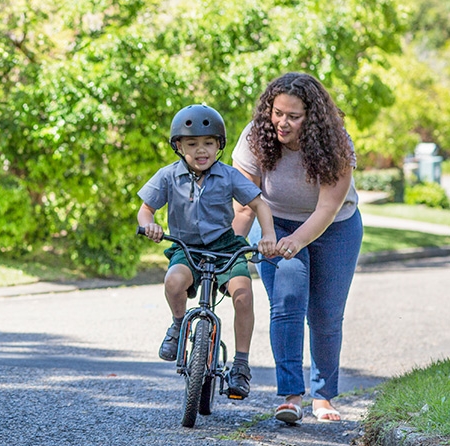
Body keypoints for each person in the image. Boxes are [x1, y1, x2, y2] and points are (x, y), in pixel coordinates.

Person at [231, 72, 362, 424]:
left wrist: (297, 241)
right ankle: (291, 396)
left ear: (313, 117)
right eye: (277, 113)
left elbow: (326, 209)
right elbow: (245, 204)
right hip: (274, 221)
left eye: (293, 116)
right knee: (287, 301)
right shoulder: (255, 138)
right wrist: (228, 246)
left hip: (335, 227)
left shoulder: (337, 144)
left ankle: (323, 396)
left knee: (325, 314)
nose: (282, 123)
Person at [137, 104, 277, 399]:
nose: (201, 150)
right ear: (178, 146)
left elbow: (259, 205)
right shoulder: (167, 176)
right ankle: (177, 326)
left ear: (219, 146)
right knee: (173, 281)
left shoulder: (228, 176)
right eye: (192, 144)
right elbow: (146, 210)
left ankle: (241, 364)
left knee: (243, 294)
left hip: (225, 247)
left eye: (208, 143)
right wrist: (150, 226)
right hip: (187, 248)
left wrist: (268, 236)